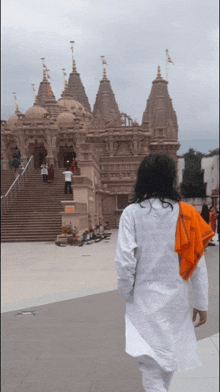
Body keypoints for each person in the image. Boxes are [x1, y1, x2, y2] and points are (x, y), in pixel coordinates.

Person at [115, 154, 214, 392]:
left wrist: (127, 292)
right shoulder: (186, 212)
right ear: (172, 179)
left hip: (144, 300)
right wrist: (201, 303)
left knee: (150, 366)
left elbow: (124, 261)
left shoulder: (132, 213)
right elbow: (198, 263)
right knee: (167, 359)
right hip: (175, 301)